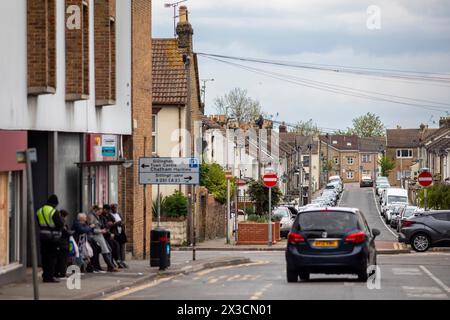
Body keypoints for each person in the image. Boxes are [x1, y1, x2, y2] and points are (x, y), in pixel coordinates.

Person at [36, 195, 64, 283]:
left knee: (44, 257)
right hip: (53, 238)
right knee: (52, 258)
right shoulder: (53, 211)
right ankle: (50, 277)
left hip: (43, 236)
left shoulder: (39, 210)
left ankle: (45, 275)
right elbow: (60, 224)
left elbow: (39, 222)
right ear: (55, 203)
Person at [88, 206, 118, 272]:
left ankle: (111, 266)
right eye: (99, 211)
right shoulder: (91, 216)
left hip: (101, 235)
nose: (100, 212)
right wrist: (101, 231)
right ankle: (111, 266)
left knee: (109, 249)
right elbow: (91, 229)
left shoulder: (97, 216)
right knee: (105, 251)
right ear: (95, 210)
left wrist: (104, 229)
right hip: (96, 236)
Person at [55, 210, 73, 278]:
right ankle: (62, 273)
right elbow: (65, 232)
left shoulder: (59, 221)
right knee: (63, 259)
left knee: (60, 259)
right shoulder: (62, 222)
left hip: (61, 243)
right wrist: (71, 233)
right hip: (63, 243)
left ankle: (58, 273)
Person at [110, 204, 128, 268]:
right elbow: (111, 225)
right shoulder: (110, 215)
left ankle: (122, 260)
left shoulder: (118, 214)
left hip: (121, 231)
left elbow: (122, 221)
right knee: (116, 247)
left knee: (122, 246)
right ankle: (116, 261)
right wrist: (117, 223)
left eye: (116, 208)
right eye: (114, 208)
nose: (115, 209)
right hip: (114, 232)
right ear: (111, 209)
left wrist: (122, 223)